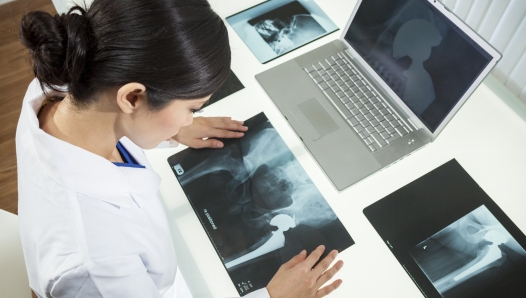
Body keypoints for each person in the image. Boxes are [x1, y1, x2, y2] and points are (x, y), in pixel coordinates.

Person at [16, 0, 344, 297]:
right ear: (132, 97)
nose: (191, 119)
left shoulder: (63, 87)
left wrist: (174, 128)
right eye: (192, 108)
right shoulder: (98, 263)